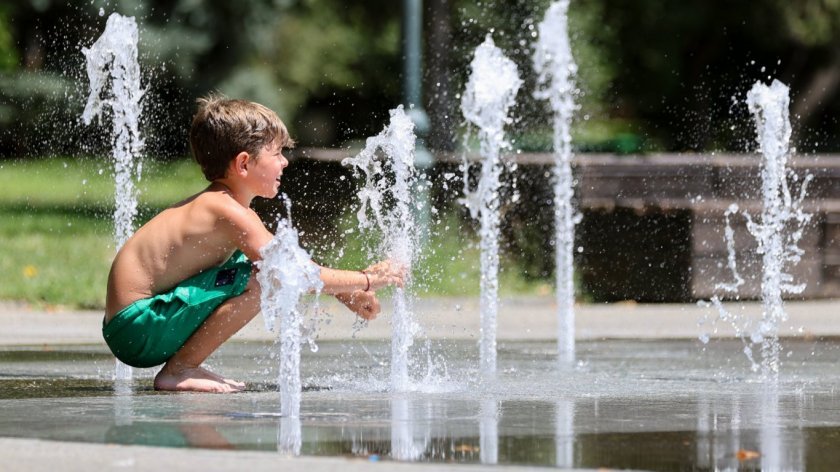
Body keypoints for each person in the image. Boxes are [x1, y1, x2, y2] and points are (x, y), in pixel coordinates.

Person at [102, 95, 405, 393]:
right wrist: (368, 280)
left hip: (137, 323)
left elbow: (291, 263)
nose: (285, 162)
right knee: (265, 279)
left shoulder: (226, 208)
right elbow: (293, 273)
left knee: (264, 266)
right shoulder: (227, 211)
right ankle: (180, 370)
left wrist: (345, 292)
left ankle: (183, 367)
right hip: (138, 326)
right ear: (244, 164)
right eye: (276, 153)